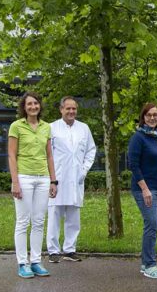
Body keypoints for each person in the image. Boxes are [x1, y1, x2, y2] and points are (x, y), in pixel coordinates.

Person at [8, 92, 58, 279]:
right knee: (23, 221)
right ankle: (23, 263)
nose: (33, 107)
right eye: (29, 104)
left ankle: (36, 261)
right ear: (24, 107)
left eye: (35, 103)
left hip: (43, 178)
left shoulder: (46, 127)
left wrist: (53, 180)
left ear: (39, 106)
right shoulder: (16, 126)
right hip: (24, 177)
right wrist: (15, 182)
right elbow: (12, 155)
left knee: (38, 221)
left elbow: (49, 155)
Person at [47, 96, 96, 263]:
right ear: (61, 109)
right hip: (57, 178)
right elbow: (47, 154)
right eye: (68, 108)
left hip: (76, 178)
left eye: (74, 108)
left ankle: (69, 249)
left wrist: (84, 170)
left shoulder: (84, 128)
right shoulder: (51, 128)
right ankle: (53, 250)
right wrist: (51, 177)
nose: (71, 111)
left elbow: (91, 150)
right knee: (54, 213)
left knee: (73, 215)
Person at [128, 103, 157, 279]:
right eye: (149, 115)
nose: (152, 118)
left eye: (155, 115)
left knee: (155, 225)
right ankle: (149, 265)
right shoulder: (138, 137)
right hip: (145, 189)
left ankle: (146, 262)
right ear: (143, 117)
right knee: (151, 224)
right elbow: (133, 165)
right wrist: (145, 189)